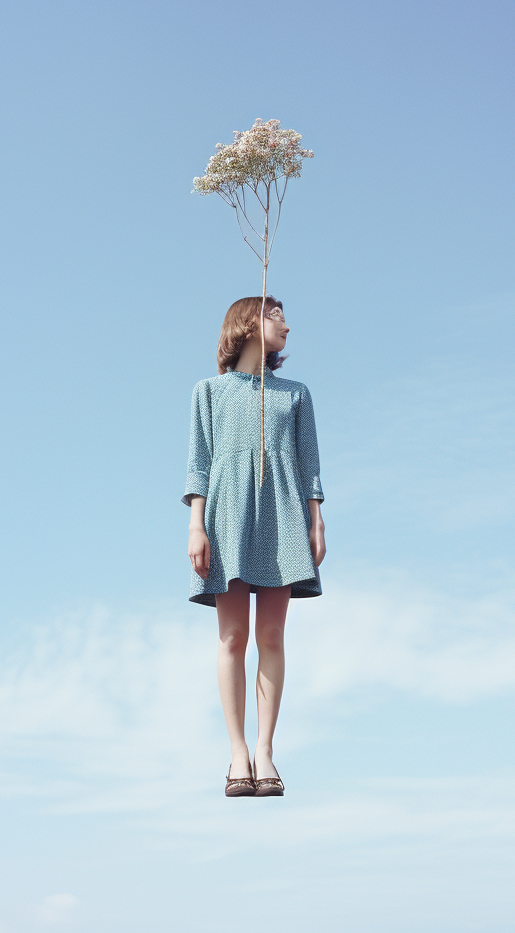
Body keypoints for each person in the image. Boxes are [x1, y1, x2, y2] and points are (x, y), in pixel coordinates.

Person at [182, 295, 326, 797]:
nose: (287, 323)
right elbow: (199, 463)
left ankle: (265, 749)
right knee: (231, 638)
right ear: (247, 323)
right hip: (227, 516)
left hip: (283, 515)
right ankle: (236, 751)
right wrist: (196, 525)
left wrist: (316, 521)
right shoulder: (209, 392)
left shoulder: (296, 394)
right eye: (276, 314)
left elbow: (309, 464)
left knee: (271, 635)